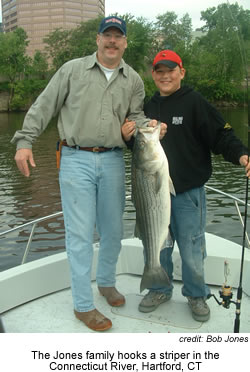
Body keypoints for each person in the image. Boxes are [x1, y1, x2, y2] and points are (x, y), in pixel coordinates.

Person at [11, 16, 157, 332]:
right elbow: (44, 105)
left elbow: (136, 117)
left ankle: (106, 282)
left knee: (113, 230)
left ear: (125, 43)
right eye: (108, 35)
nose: (112, 41)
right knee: (78, 236)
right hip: (75, 158)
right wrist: (25, 140)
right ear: (97, 39)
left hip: (114, 160)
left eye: (119, 37)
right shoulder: (72, 70)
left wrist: (148, 128)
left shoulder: (133, 80)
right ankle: (82, 305)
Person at [122, 49, 250, 322]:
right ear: (152, 75)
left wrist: (242, 154)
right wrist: (127, 137)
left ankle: (196, 294)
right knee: (156, 247)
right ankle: (158, 288)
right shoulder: (147, 106)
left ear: (182, 72)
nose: (165, 75)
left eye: (171, 70)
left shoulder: (195, 102)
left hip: (188, 194)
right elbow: (137, 146)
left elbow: (221, 135)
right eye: (159, 71)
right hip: (151, 193)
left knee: (192, 251)